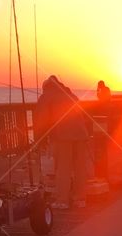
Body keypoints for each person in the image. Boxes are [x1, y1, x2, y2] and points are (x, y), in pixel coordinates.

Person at [36, 75, 90, 209]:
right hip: (81, 135)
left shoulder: (47, 96)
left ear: (46, 87)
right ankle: (80, 199)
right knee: (79, 168)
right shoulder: (71, 95)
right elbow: (83, 115)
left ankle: (62, 201)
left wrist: (39, 139)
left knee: (63, 169)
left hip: (63, 136)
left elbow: (41, 119)